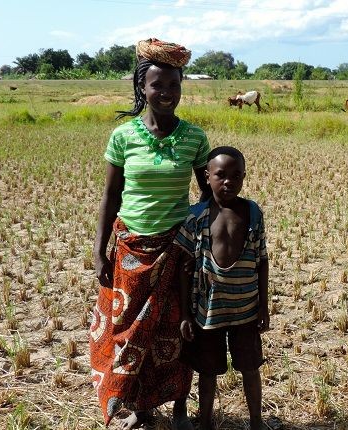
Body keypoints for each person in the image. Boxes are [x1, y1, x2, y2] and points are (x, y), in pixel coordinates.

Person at [89, 38, 211, 430]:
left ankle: (178, 408)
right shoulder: (123, 137)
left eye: (174, 85)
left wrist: (200, 239)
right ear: (143, 87)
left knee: (174, 331)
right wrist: (99, 250)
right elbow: (111, 195)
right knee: (128, 330)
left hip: (176, 250)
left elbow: (208, 196)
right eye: (158, 85)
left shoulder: (194, 137)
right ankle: (140, 408)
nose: (167, 93)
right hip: (129, 249)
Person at [174, 146, 270, 430]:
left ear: (244, 177)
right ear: (206, 177)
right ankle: (205, 423)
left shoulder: (252, 213)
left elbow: (262, 260)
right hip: (208, 313)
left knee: (251, 368)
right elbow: (184, 266)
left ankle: (256, 422)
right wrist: (185, 315)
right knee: (207, 371)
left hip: (246, 309)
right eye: (220, 175)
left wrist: (264, 305)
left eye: (236, 176)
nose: (228, 182)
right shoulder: (196, 216)